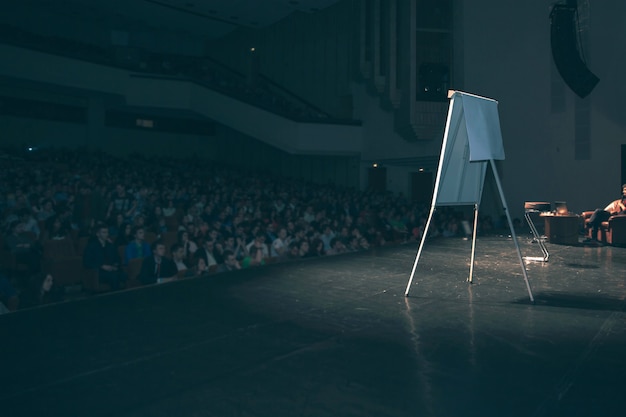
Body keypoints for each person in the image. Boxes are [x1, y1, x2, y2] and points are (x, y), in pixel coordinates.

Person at [82, 224, 126, 290]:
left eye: (107, 232)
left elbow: (117, 258)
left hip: (112, 269)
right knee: (114, 277)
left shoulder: (110, 245)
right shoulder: (91, 246)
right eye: (104, 232)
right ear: (98, 234)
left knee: (124, 275)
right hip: (98, 272)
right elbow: (87, 262)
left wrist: (115, 265)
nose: (106, 234)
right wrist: (101, 266)